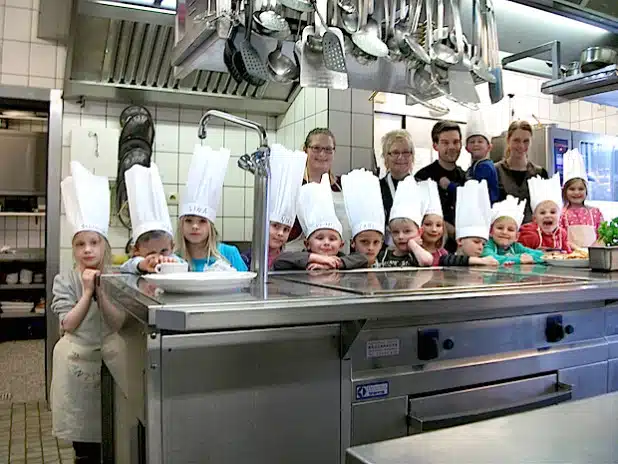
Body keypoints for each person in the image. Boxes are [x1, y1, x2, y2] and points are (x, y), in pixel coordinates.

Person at [51, 161, 112, 463]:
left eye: (94, 243)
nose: (87, 250)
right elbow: (68, 324)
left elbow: (118, 321)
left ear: (103, 246)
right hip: (75, 365)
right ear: (73, 249)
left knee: (110, 435)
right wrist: (87, 293)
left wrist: (102, 288)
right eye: (80, 244)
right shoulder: (65, 280)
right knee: (84, 447)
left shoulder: (114, 278)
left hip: (109, 362)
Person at [273, 173, 367, 270]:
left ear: (341, 245)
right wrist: (318, 259)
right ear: (307, 244)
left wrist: (336, 263)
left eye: (332, 239)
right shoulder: (301, 258)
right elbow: (279, 261)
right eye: (320, 238)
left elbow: (363, 259)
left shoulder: (341, 257)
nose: (326, 242)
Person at [176, 144, 247, 271]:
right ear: (181, 224)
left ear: (211, 226)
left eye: (202, 221)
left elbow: (247, 287)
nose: (195, 226)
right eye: (189, 220)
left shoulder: (229, 253)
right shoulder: (174, 259)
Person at [242, 144, 307, 269]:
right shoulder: (246, 259)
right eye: (275, 226)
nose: (280, 233)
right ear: (262, 224)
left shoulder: (290, 262)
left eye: (286, 229)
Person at [120, 163, 185, 274]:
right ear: (136, 250)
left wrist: (174, 262)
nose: (158, 258)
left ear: (172, 246)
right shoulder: (134, 263)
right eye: (151, 253)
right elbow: (127, 267)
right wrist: (143, 264)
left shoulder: (174, 258)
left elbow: (184, 265)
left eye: (164, 251)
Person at [287, 128, 346, 248]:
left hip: (340, 261)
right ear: (305, 150)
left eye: (328, 149)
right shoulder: (293, 185)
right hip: (297, 261)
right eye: (316, 148)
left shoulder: (344, 186)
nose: (322, 154)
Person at [415, 121, 466, 252]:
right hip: (431, 250)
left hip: (462, 249)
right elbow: (419, 216)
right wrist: (447, 227)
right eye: (445, 143)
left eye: (456, 142)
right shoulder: (423, 176)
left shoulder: (466, 177)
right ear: (435, 145)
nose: (452, 147)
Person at [495, 120, 548, 224]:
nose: (521, 146)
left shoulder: (540, 174)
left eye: (526, 141)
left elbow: (546, 208)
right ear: (508, 140)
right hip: (503, 233)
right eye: (516, 140)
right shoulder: (495, 171)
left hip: (532, 234)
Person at [377, 176, 434, 267]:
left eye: (407, 231)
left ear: (420, 232)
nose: (400, 236)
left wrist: (412, 244)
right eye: (395, 232)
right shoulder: (383, 256)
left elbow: (427, 261)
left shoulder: (415, 255)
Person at [560, 148, 604, 248]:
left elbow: (602, 236)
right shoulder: (561, 214)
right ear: (565, 191)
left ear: (586, 190)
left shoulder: (595, 212)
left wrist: (596, 247)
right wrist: (578, 250)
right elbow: (560, 238)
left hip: (594, 256)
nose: (576, 192)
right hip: (570, 257)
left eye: (581, 189)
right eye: (572, 189)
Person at [481, 195, 545, 265]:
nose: (504, 232)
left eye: (510, 230)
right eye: (500, 228)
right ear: (490, 232)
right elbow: (492, 258)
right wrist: (519, 259)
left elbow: (541, 255)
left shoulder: (515, 246)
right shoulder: (487, 245)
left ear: (517, 237)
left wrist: (530, 258)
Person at [342, 168, 385, 268]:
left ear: (382, 243)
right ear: (353, 243)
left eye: (376, 242)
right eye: (364, 242)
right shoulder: (344, 265)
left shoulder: (386, 265)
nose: (370, 248)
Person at [519, 174, 572, 253]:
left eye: (553, 212)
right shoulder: (530, 235)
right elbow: (521, 253)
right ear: (534, 219)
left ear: (560, 216)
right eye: (542, 213)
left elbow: (568, 254)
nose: (548, 215)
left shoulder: (561, 234)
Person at [378, 129, 414, 223]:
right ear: (386, 157)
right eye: (395, 152)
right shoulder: (376, 189)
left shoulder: (421, 187)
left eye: (406, 152)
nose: (401, 157)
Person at [465, 112, 499, 204]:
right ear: (466, 148)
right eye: (472, 142)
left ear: (489, 147)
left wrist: (449, 185)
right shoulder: (474, 166)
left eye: (480, 141)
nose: (476, 144)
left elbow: (473, 192)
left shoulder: (485, 166)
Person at [455, 179, 495, 260]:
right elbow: (446, 260)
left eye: (483, 244)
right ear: (459, 241)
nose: (480, 248)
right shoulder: (448, 259)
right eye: (476, 242)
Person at [418, 180, 447, 265]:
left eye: (438, 225)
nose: (434, 229)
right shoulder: (412, 253)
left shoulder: (444, 254)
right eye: (428, 224)